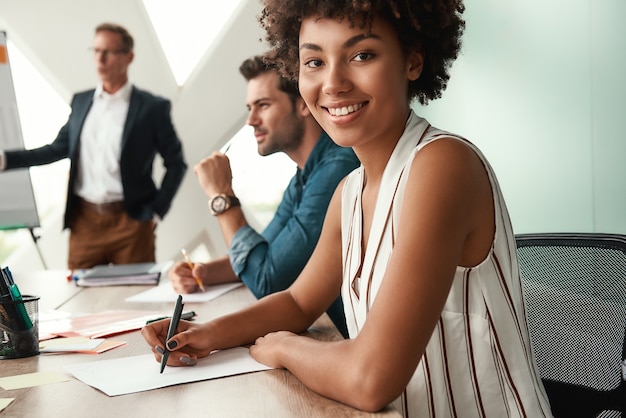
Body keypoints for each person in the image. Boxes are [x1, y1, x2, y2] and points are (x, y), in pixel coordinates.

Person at [142, 1, 553, 416]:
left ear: (413, 60)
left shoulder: (442, 166)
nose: (333, 83)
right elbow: (299, 303)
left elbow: (369, 380)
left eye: (362, 55)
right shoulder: (349, 191)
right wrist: (205, 333)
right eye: (314, 61)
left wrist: (285, 346)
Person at [169, 55, 360, 337]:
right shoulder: (303, 178)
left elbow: (267, 279)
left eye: (263, 105)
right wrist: (202, 272)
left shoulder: (337, 170)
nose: (251, 121)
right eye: (249, 108)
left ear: (303, 104)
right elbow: (268, 252)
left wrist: (222, 197)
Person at [0, 23, 187, 269]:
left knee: (136, 299)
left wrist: (156, 211)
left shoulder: (152, 108)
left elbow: (176, 163)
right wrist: (5, 159)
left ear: (128, 57)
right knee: (79, 296)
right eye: (96, 50)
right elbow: (57, 149)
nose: (100, 58)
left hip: (131, 223)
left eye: (108, 51)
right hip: (84, 222)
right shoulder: (81, 102)